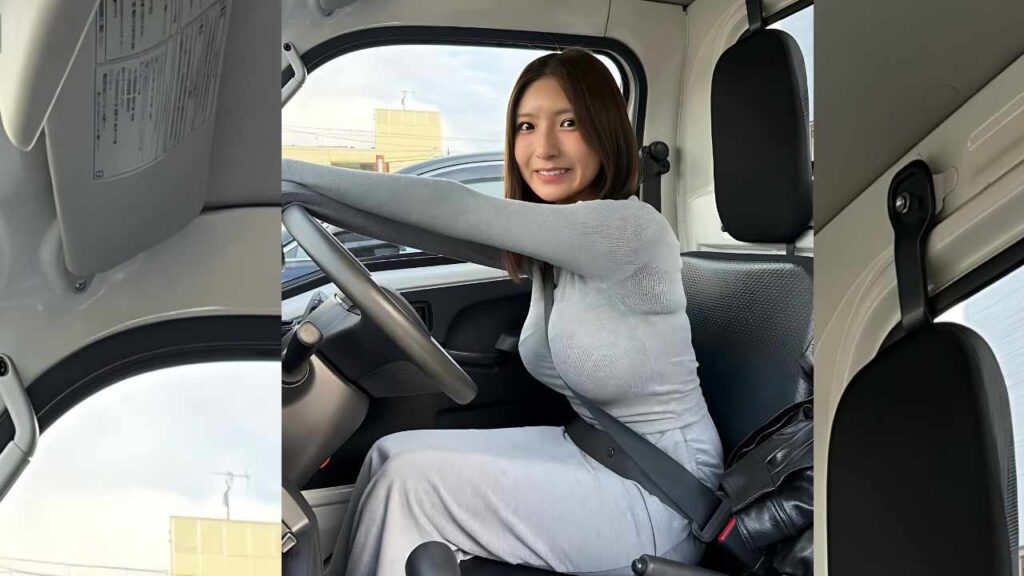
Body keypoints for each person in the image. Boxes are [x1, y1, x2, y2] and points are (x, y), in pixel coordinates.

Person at [282, 49, 723, 576]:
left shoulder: (629, 230)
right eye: (526, 127)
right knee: (391, 455)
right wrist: (302, 198)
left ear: (606, 130)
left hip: (663, 495)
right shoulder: (555, 244)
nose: (544, 148)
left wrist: (278, 172)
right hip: (589, 448)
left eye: (569, 123)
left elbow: (457, 208)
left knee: (412, 486)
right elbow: (429, 229)